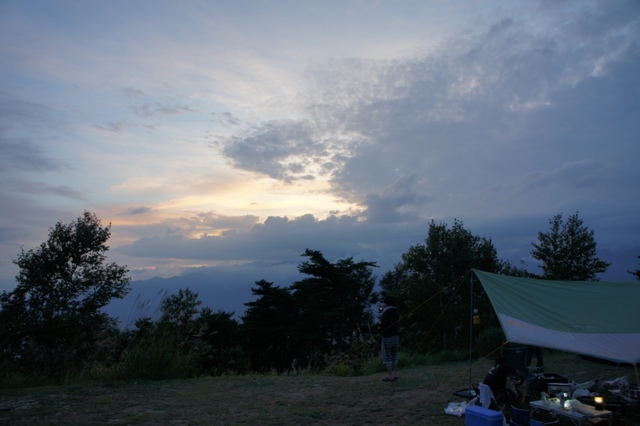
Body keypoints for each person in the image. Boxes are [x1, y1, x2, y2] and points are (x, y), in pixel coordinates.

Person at [379, 295, 399, 382]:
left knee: (387, 357)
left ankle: (390, 376)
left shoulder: (386, 312)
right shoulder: (396, 311)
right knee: (394, 356)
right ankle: (394, 375)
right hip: (396, 336)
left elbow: (384, 325)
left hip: (387, 336)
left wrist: (380, 330)